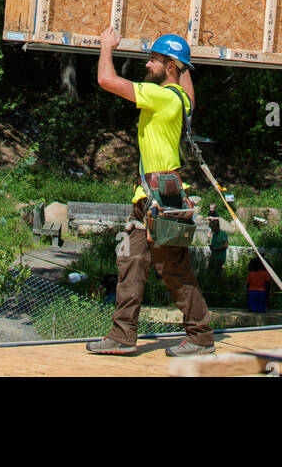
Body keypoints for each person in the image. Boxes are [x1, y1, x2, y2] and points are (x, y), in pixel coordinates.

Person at [86, 29, 215, 358]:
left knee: (174, 268)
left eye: (154, 60)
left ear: (169, 65)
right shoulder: (180, 99)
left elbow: (106, 79)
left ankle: (200, 336)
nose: (147, 64)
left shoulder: (160, 96)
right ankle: (122, 335)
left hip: (163, 200)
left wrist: (106, 46)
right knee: (130, 261)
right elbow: (191, 98)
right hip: (147, 200)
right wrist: (185, 65)